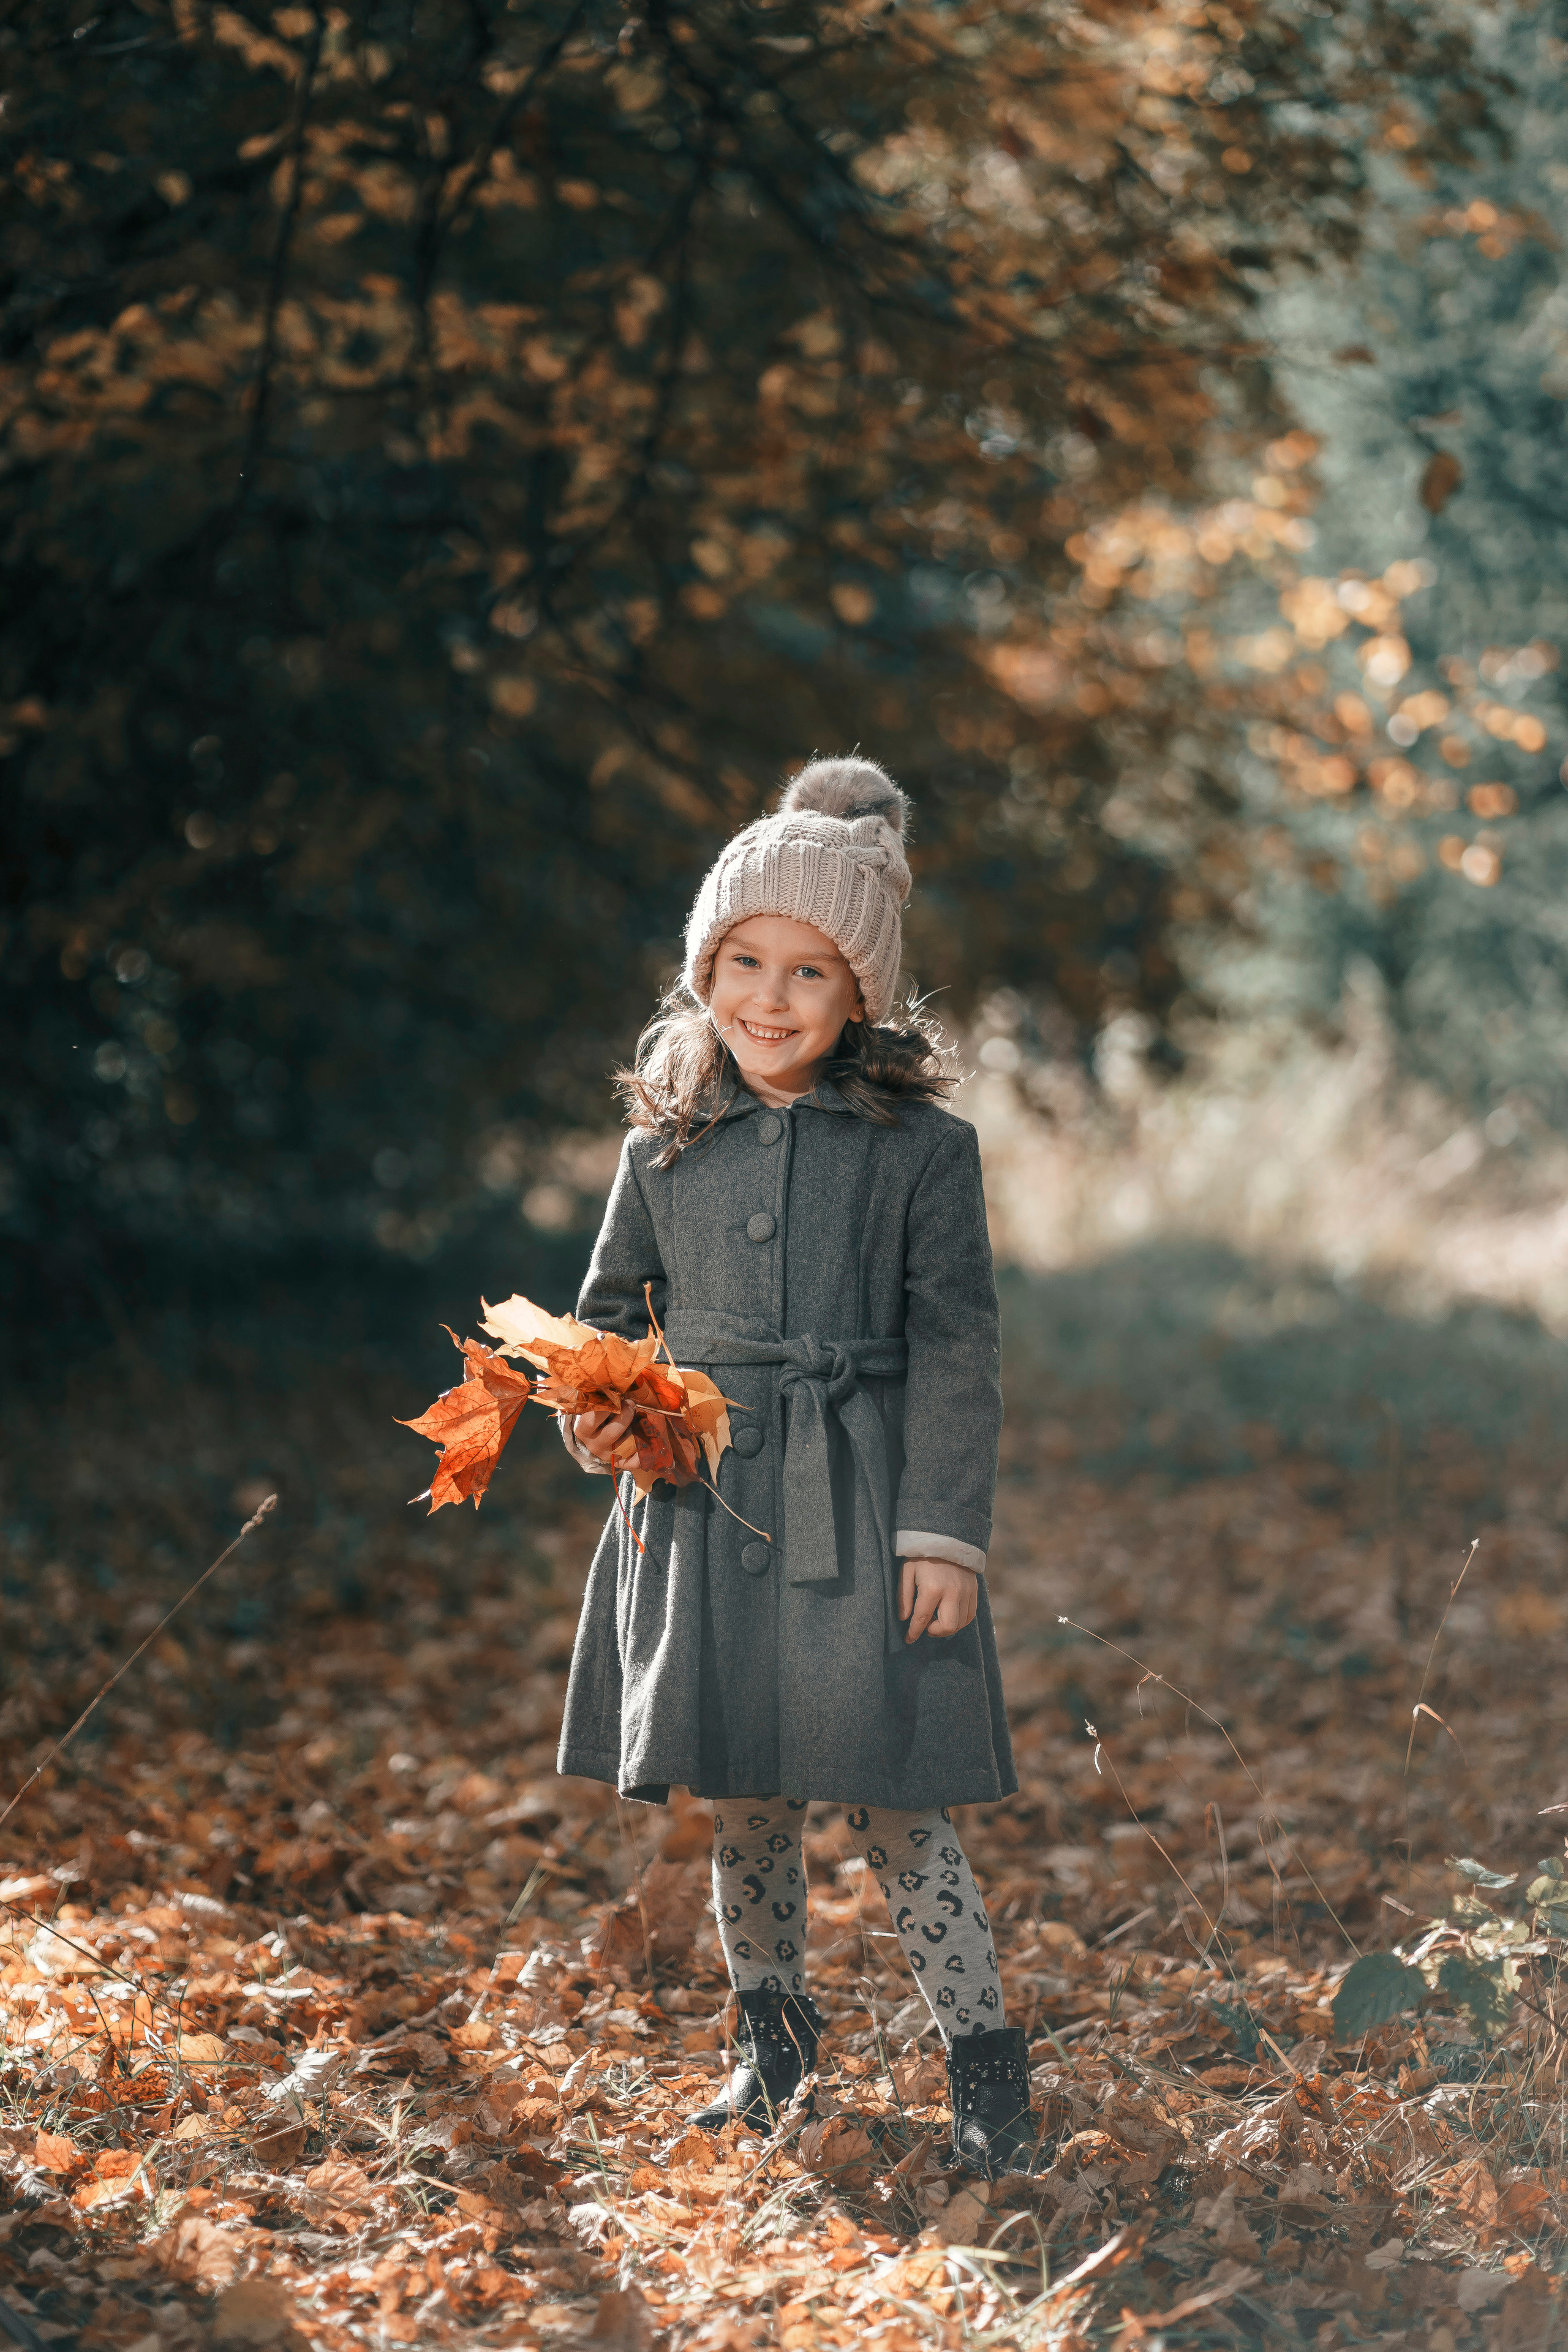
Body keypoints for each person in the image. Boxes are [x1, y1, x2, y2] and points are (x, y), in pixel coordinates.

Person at [554, 757, 1033, 2175]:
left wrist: (940, 1532)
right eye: (741, 961)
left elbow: (958, 1347)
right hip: (699, 1503)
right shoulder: (663, 1144)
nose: (767, 998)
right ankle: (772, 2051)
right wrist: (599, 1411)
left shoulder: (922, 1153)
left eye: (808, 972)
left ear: (860, 996)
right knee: (744, 1791)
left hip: (862, 1502)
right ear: (703, 966)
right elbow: (603, 1318)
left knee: (896, 1799)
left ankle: (985, 2073)